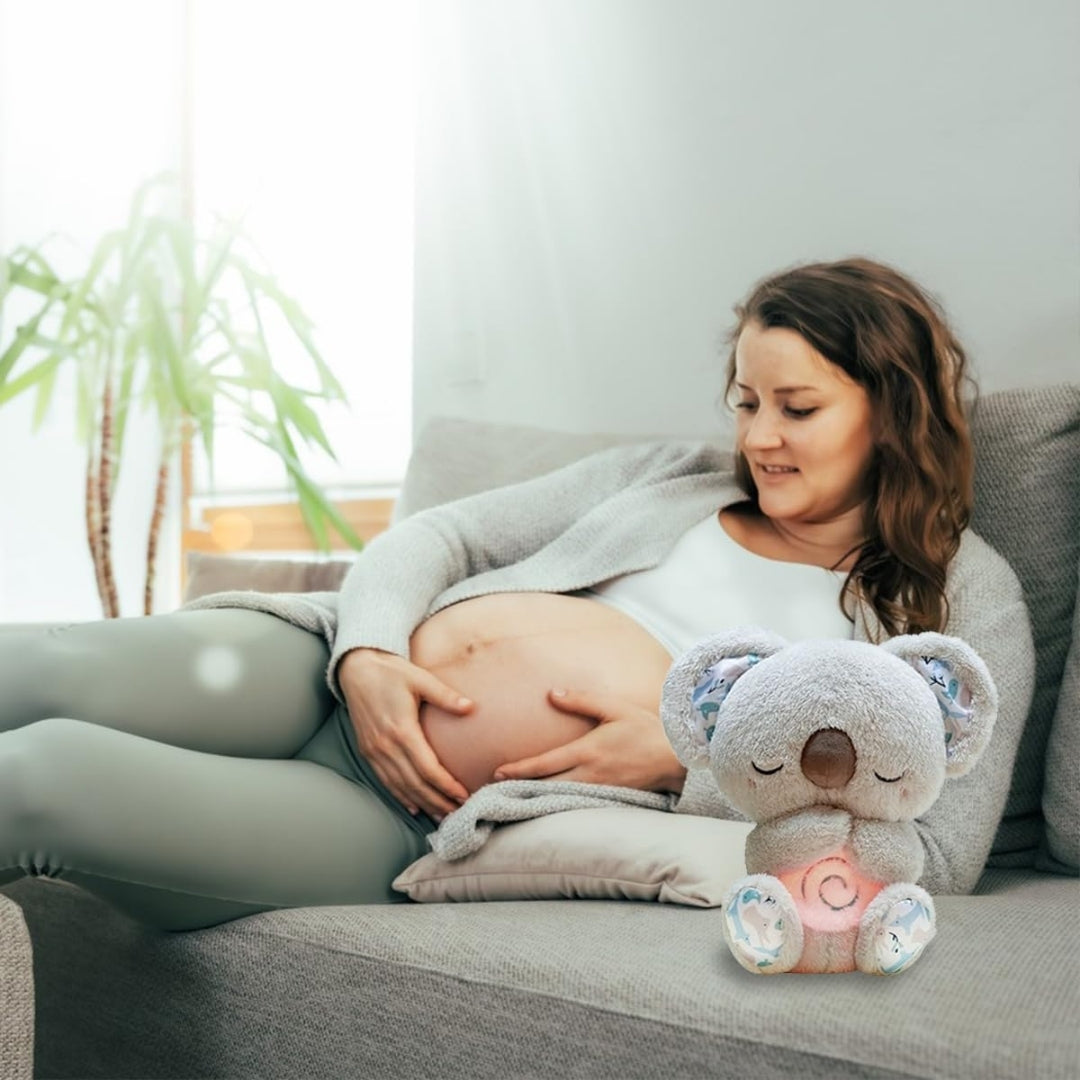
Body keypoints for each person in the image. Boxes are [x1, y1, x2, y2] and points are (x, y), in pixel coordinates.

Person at [0, 257, 1034, 932]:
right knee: (29, 668)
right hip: (315, 674)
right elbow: (440, 535)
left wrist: (695, 763)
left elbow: (937, 856)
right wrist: (365, 653)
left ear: (893, 410)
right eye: (746, 401)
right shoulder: (670, 477)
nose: (758, 437)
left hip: (402, 809)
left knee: (38, 779)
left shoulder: (952, 603)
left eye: (797, 407)